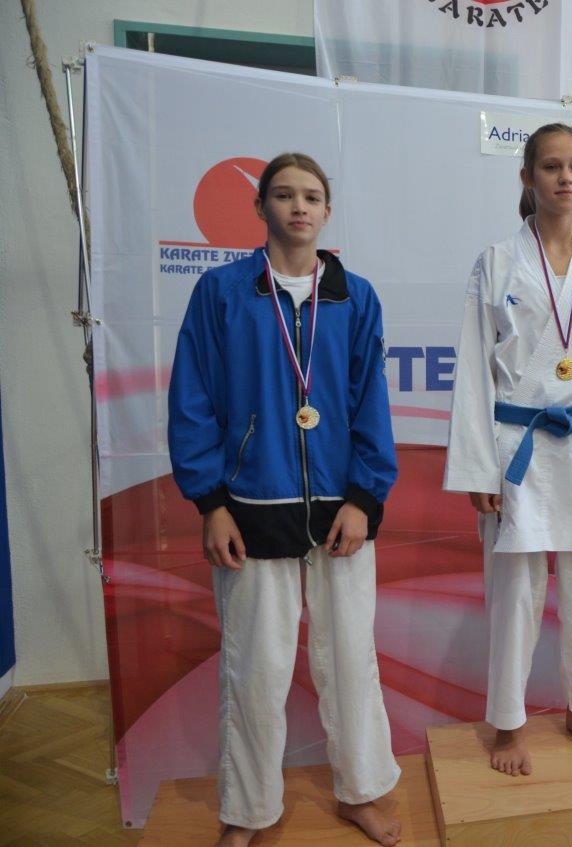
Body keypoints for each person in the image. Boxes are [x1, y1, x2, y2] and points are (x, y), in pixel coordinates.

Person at [168, 153, 401, 846]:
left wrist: (364, 497)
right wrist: (211, 502)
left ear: (327, 210)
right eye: (284, 195)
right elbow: (192, 398)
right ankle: (247, 811)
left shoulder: (355, 296)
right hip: (250, 508)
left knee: (351, 660)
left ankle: (361, 791)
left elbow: (370, 403)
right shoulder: (222, 292)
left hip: (341, 511)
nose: (299, 206)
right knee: (255, 669)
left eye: (312, 196)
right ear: (260, 206)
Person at [444, 123, 572, 777]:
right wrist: (477, 466)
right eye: (553, 166)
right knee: (514, 594)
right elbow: (474, 369)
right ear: (527, 177)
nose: (566, 177)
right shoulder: (497, 261)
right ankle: (507, 724)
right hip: (519, 447)